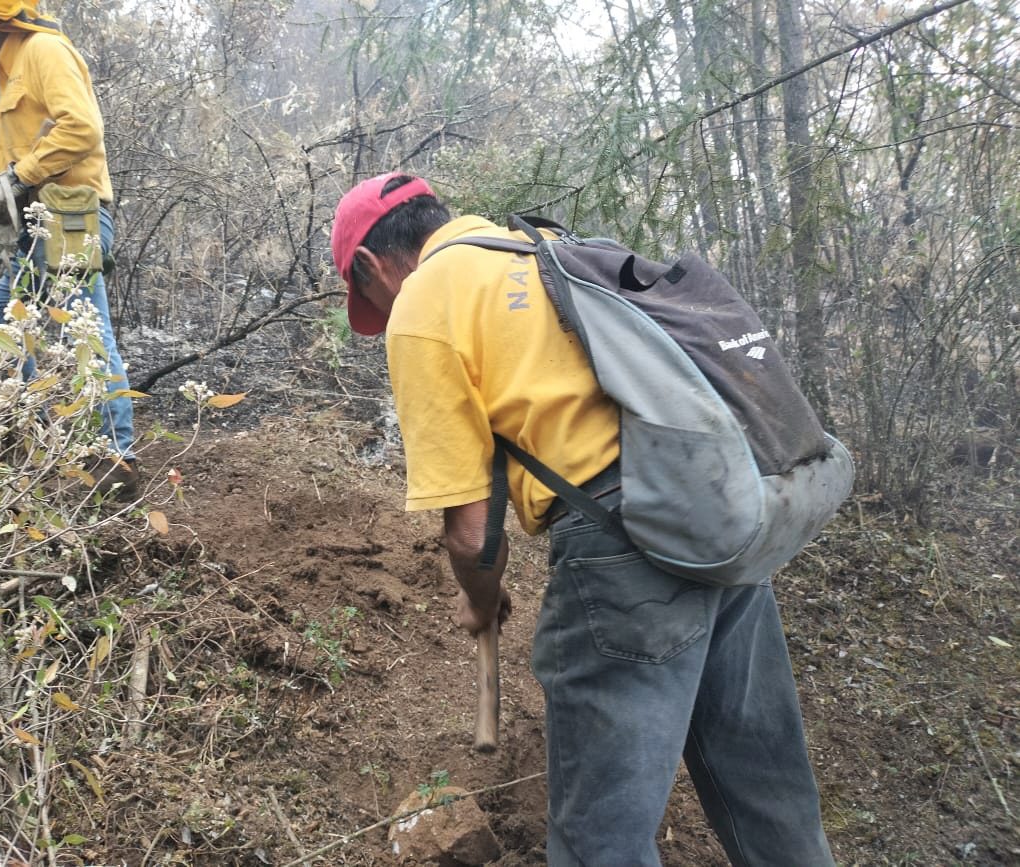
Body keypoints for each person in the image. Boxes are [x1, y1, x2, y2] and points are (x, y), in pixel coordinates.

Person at [331, 172, 837, 866]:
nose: (384, 316)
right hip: (713, 508)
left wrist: (479, 600)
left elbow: (472, 534)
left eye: (372, 301)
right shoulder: (534, 245)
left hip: (624, 550)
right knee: (766, 795)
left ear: (369, 265)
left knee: (601, 840)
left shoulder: (424, 299)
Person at [0, 0, 138, 500]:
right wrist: (0, 159)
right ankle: (37, 436)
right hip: (38, 219)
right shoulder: (14, 65)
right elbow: (45, 142)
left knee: (86, 329)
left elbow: (82, 129)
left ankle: (116, 458)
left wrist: (17, 174)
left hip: (68, 212)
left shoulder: (44, 50)